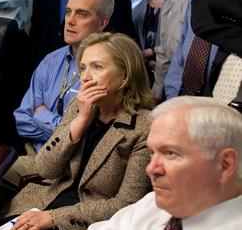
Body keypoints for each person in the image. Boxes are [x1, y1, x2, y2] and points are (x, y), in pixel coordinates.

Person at [5, 33, 153, 230]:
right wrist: (80, 121)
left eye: (97, 67)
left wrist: (55, 218)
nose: (85, 77)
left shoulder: (145, 127)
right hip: (45, 199)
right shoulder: (79, 106)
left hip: (90, 221)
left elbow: (127, 204)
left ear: (124, 76)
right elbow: (46, 169)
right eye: (83, 68)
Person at [10, 0, 113, 181]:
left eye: (82, 14)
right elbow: (22, 120)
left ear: (102, 23)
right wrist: (66, 130)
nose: (70, 21)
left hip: (74, 167)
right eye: (68, 12)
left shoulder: (107, 70)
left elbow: (87, 138)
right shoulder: (52, 60)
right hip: (35, 155)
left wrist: (42, 115)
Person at [89, 96, 242, 229]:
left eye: (170, 153)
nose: (151, 169)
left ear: (225, 164)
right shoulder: (154, 204)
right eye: (152, 152)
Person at [133, 0, 181, 83]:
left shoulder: (177, 0)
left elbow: (176, 36)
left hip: (165, 65)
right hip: (134, 61)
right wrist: (141, 57)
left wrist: (152, 53)